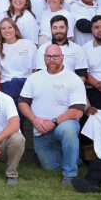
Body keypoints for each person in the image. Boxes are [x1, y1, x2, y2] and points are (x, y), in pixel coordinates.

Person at [18, 44, 87, 185]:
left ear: (62, 57)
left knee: (69, 130)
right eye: (48, 56)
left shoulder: (73, 79)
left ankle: (69, 174)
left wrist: (54, 122)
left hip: (62, 126)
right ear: (44, 58)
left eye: (55, 56)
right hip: (40, 130)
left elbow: (78, 110)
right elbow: (22, 103)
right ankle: (74, 158)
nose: (52, 59)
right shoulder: (34, 78)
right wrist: (34, 120)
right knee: (50, 167)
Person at [0, 17, 35, 104]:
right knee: (14, 85)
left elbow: (34, 69)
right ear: (0, 32)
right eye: (3, 28)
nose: (7, 30)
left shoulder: (28, 44)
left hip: (26, 82)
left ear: (15, 29)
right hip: (7, 84)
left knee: (16, 85)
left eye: (10, 27)